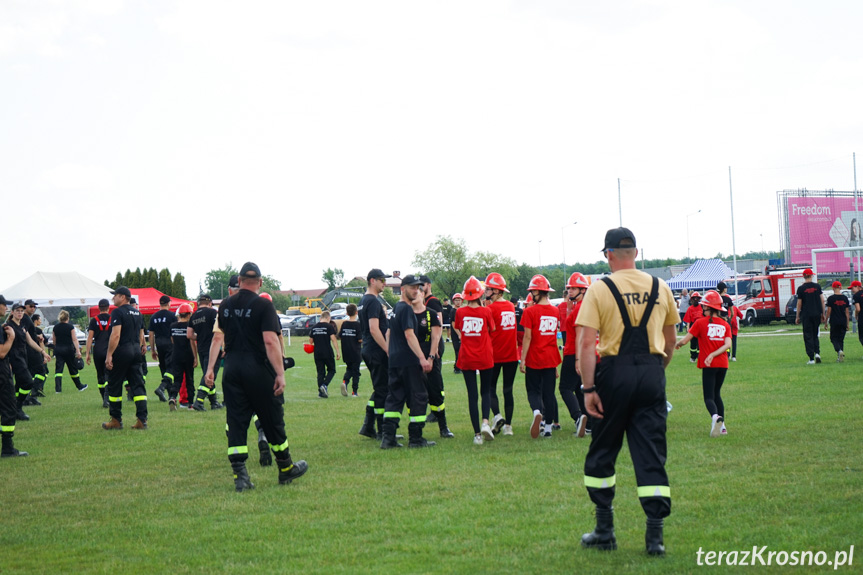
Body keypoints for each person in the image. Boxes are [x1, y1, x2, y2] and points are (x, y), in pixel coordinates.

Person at [576, 227, 677, 557]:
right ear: (636, 252)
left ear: (608, 255)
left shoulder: (599, 289)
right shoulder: (660, 287)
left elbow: (588, 344)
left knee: (603, 449)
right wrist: (654, 374)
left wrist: (589, 387)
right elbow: (671, 340)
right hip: (651, 371)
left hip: (612, 374)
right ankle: (655, 538)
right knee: (650, 451)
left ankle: (605, 530)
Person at [205, 262, 308, 491]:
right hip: (258, 369)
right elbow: (271, 341)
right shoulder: (263, 305)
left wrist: (210, 368)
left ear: (239, 281)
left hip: (231, 368)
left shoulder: (225, 306)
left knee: (236, 421)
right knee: (272, 418)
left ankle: (240, 476)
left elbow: (216, 338)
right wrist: (280, 373)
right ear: (260, 282)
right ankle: (285, 467)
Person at [380, 275, 434, 449]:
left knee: (394, 399)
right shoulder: (407, 309)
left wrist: (391, 352)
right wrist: (421, 358)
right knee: (419, 397)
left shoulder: (396, 308)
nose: (416, 290)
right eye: (412, 287)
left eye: (418, 288)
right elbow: (409, 334)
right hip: (408, 361)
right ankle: (416, 439)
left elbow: (388, 333)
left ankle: (388, 439)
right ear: (402, 289)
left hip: (395, 360)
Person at [674, 291, 732, 437]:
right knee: (717, 394)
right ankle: (723, 427)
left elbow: (685, 340)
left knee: (708, 397)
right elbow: (728, 344)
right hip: (723, 364)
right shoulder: (725, 324)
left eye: (704, 307)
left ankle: (715, 417)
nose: (702, 309)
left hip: (709, 364)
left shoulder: (700, 323)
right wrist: (715, 353)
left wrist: (677, 344)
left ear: (709, 308)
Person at [453, 276, 496, 445]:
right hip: (485, 355)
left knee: (472, 396)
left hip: (467, 357)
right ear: (479, 294)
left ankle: (477, 434)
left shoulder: (460, 312)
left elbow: (458, 327)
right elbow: (492, 328)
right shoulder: (486, 311)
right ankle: (485, 421)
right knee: (485, 392)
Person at [519, 275, 561, 438]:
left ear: (537, 291)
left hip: (535, 356)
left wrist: (522, 359)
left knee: (533, 391)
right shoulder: (555, 310)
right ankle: (548, 427)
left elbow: (527, 337)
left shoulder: (529, 311)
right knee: (549, 393)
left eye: (532, 291)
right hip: (551, 357)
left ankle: (537, 412)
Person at [411, 281, 453, 438]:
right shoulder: (406, 313)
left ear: (423, 294)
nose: (415, 294)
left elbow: (436, 337)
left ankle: (443, 428)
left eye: (418, 291)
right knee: (415, 395)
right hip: (412, 361)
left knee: (436, 394)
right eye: (413, 291)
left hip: (430, 360)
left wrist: (431, 356)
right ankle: (416, 431)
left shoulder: (431, 314)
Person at [102, 286, 148, 430]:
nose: (113, 298)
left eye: (115, 295)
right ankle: (142, 420)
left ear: (123, 297)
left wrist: (109, 354)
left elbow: (115, 335)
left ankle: (116, 420)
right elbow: (141, 335)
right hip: (136, 351)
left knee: (115, 385)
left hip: (122, 351)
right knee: (138, 385)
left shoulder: (117, 312)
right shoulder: (138, 313)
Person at [357, 269, 391, 440]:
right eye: (381, 280)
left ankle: (368, 425)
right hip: (376, 350)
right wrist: (387, 349)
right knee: (382, 390)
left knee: (379, 388)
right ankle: (381, 429)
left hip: (369, 349)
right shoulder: (373, 302)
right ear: (372, 281)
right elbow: (373, 328)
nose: (384, 283)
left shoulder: (364, 300)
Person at [484, 272, 518, 436]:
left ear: (496, 291)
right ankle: (508, 427)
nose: (486, 291)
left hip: (495, 354)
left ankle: (497, 416)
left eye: (489, 288)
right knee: (508, 390)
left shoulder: (490, 308)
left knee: (489, 388)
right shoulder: (511, 306)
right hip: (511, 355)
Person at [6, 302, 51, 421]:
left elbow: (30, 342)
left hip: (23, 356)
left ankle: (15, 409)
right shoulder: (8, 327)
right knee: (28, 382)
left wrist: (43, 352)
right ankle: (18, 408)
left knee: (19, 385)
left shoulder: (22, 327)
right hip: (13, 357)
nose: (20, 313)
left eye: (21, 311)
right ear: (12, 312)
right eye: (17, 311)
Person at [560, 272, 590, 437]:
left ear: (583, 290)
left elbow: (579, 335)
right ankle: (589, 424)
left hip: (574, 353)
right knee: (579, 390)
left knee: (565, 388)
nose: (570, 290)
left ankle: (578, 418)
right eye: (569, 288)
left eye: (574, 288)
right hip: (581, 352)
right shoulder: (581, 307)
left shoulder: (580, 308)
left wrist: (578, 359)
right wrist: (568, 311)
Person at [417, 275, 447, 429]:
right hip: (426, 346)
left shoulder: (433, 301)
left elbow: (438, 325)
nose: (419, 288)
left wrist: (435, 350)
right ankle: (433, 410)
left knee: (435, 380)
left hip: (434, 345)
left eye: (422, 285)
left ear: (428, 285)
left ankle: (437, 412)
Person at [0, 295, 28, 456]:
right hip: (2, 374)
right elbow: (2, 353)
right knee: (9, 409)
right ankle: (8, 448)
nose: (5, 309)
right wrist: (11, 338)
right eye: (4, 305)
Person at [188, 294, 223, 409]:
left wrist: (199, 337)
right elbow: (220, 331)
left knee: (207, 374)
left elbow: (189, 335)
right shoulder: (213, 313)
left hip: (201, 348)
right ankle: (199, 401)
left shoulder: (193, 316)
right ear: (209, 303)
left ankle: (213, 403)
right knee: (210, 375)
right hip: (212, 348)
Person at [166, 304, 197, 411]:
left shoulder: (172, 325)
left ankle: (172, 397)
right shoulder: (190, 325)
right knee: (189, 380)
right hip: (188, 355)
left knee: (177, 379)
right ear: (189, 314)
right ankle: (191, 404)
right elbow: (193, 342)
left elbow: (172, 340)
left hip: (176, 355)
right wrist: (195, 358)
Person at [149, 295, 177, 402]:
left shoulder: (153, 317)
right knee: (171, 368)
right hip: (170, 343)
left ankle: (168, 394)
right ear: (169, 303)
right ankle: (162, 387)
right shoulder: (172, 316)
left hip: (159, 344)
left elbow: (151, 335)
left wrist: (152, 350)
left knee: (164, 368)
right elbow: (174, 333)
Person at [86, 299, 113, 407]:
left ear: (98, 308)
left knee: (100, 375)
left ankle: (104, 398)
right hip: (109, 350)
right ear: (108, 307)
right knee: (109, 375)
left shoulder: (94, 320)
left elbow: (89, 338)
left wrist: (87, 353)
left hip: (97, 350)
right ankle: (107, 398)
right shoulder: (113, 319)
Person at [795, 268, 824, 365]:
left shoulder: (801, 289)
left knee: (808, 335)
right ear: (811, 276)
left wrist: (797, 316)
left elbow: (799, 303)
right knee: (815, 334)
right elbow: (822, 300)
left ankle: (811, 358)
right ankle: (817, 353)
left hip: (806, 315)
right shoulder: (817, 287)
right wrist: (823, 313)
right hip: (816, 314)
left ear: (804, 276)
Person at [52, 310, 86, 393]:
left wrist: (56, 348)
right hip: (68, 350)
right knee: (72, 369)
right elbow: (74, 339)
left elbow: (54, 341)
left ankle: (58, 389)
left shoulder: (55, 327)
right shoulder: (70, 327)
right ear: (67, 318)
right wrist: (78, 351)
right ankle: (79, 386)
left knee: (58, 370)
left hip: (59, 350)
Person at [309, 310, 340, 398]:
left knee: (320, 372)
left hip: (317, 352)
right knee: (332, 370)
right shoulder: (329, 326)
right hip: (327, 352)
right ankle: (324, 385)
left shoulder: (314, 327)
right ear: (328, 318)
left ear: (320, 318)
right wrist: (337, 351)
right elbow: (333, 339)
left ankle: (321, 393)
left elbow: (310, 341)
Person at [23, 300, 48, 400]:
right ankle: (33, 391)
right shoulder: (25, 318)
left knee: (31, 373)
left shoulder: (27, 318)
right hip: (30, 349)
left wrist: (36, 337)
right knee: (42, 370)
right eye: (31, 306)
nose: (33, 308)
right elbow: (23, 334)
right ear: (26, 307)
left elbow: (28, 334)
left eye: (34, 307)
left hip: (31, 347)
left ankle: (30, 396)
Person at [337, 304, 362, 397]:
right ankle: (354, 392)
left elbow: (339, 336)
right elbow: (360, 339)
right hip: (356, 352)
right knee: (356, 372)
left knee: (349, 369)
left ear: (347, 313)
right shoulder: (357, 325)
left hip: (346, 352)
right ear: (356, 312)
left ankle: (345, 382)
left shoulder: (344, 324)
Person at [824, 281, 851, 362]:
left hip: (834, 321)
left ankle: (839, 351)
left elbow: (828, 311)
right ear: (841, 288)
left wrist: (826, 322)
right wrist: (847, 323)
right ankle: (840, 356)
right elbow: (847, 312)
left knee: (833, 338)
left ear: (833, 288)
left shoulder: (831, 298)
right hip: (843, 320)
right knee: (840, 339)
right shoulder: (845, 298)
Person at [682, 292, 703, 362]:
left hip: (701, 326)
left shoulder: (702, 307)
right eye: (694, 298)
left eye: (697, 298)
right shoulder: (690, 309)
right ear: (692, 299)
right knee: (693, 343)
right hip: (693, 326)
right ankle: (693, 357)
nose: (696, 299)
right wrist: (688, 328)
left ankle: (700, 357)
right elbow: (688, 319)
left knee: (700, 343)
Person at [450, 293, 463, 374]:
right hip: (456, 334)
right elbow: (453, 324)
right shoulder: (453, 311)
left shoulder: (461, 310)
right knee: (458, 350)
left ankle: (461, 366)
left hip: (461, 333)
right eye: (456, 300)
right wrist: (459, 334)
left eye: (459, 300)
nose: (458, 302)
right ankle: (457, 368)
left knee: (462, 351)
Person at [851, 280, 863, 355]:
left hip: (862, 317)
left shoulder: (856, 295)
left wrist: (855, 315)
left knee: (861, 336)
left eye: (852, 288)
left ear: (858, 287)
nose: (852, 290)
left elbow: (858, 309)